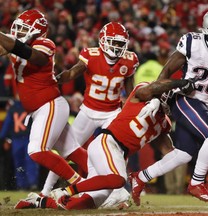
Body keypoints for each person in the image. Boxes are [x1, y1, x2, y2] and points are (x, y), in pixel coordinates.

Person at [129, 7, 208, 204]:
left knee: (183, 154)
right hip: (184, 98)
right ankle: (196, 183)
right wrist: (156, 95)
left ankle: (140, 178)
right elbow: (166, 71)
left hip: (205, 102)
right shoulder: (193, 43)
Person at [14, 78, 196, 210]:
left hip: (115, 155)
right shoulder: (143, 93)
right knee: (118, 180)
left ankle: (40, 202)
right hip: (107, 142)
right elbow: (152, 87)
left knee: (85, 204)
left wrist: (189, 148)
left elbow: (168, 151)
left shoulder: (164, 124)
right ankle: (66, 190)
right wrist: (179, 83)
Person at [39, 21, 139, 207]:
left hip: (112, 113)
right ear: (102, 40)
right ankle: (45, 191)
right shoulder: (90, 55)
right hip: (88, 111)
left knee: (116, 153)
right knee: (65, 152)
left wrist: (130, 109)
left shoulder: (129, 60)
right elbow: (73, 73)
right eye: (113, 42)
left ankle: (117, 193)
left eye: (120, 43)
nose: (116, 47)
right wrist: (56, 79)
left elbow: (130, 89)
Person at [0, 9, 87, 187]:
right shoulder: (15, 43)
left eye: (24, 29)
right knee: (72, 151)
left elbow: (34, 56)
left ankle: (80, 184)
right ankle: (108, 183)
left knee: (36, 150)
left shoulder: (45, 43)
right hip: (41, 108)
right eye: (18, 28)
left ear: (37, 31)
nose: (19, 33)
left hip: (49, 104)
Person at [0, 97, 39, 190]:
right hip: (22, 139)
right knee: (25, 161)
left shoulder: (15, 108)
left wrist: (3, 137)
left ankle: (25, 184)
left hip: (23, 139)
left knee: (23, 162)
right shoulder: (30, 106)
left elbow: (6, 125)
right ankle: (28, 184)